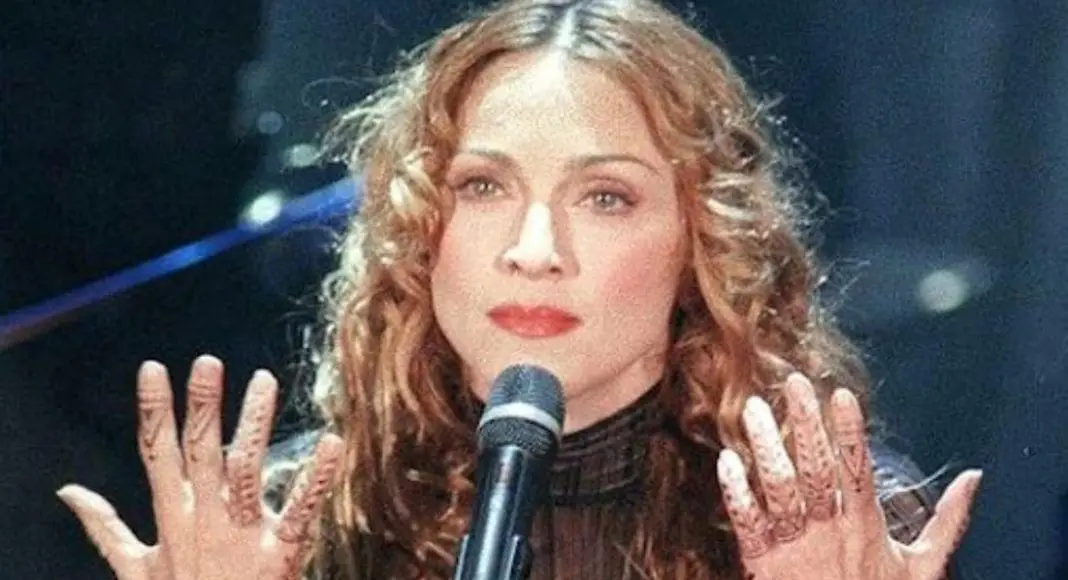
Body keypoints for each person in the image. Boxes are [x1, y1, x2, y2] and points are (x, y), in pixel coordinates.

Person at [56, 0, 983, 579]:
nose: (535, 251)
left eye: (606, 197)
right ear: (420, 230)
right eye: (484, 188)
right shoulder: (292, 523)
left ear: (702, 243)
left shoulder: (831, 527)